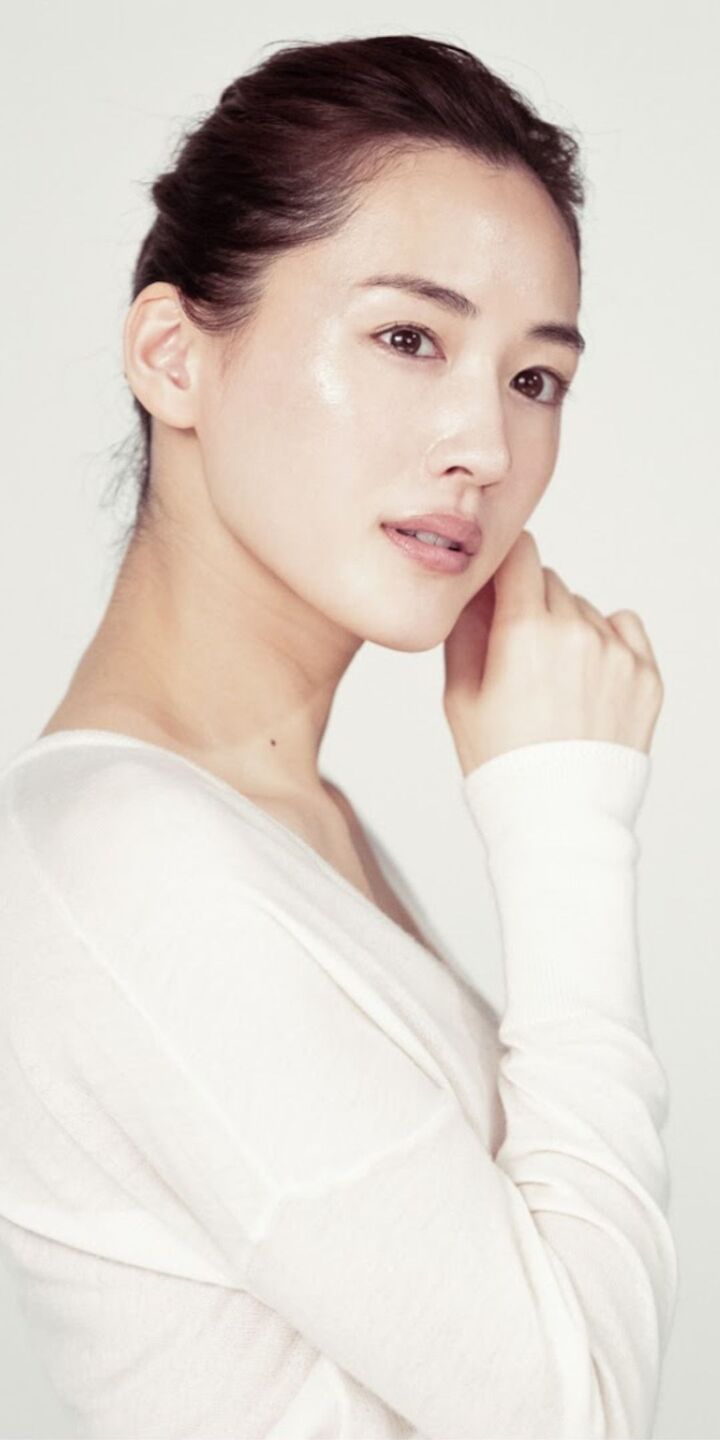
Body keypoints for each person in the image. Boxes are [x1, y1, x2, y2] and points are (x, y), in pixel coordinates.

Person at [0, 32, 676, 1440]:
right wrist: (567, 824)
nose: (485, 446)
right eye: (409, 338)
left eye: (536, 379)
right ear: (174, 356)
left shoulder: (279, 823)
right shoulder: (127, 862)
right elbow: (575, 1417)